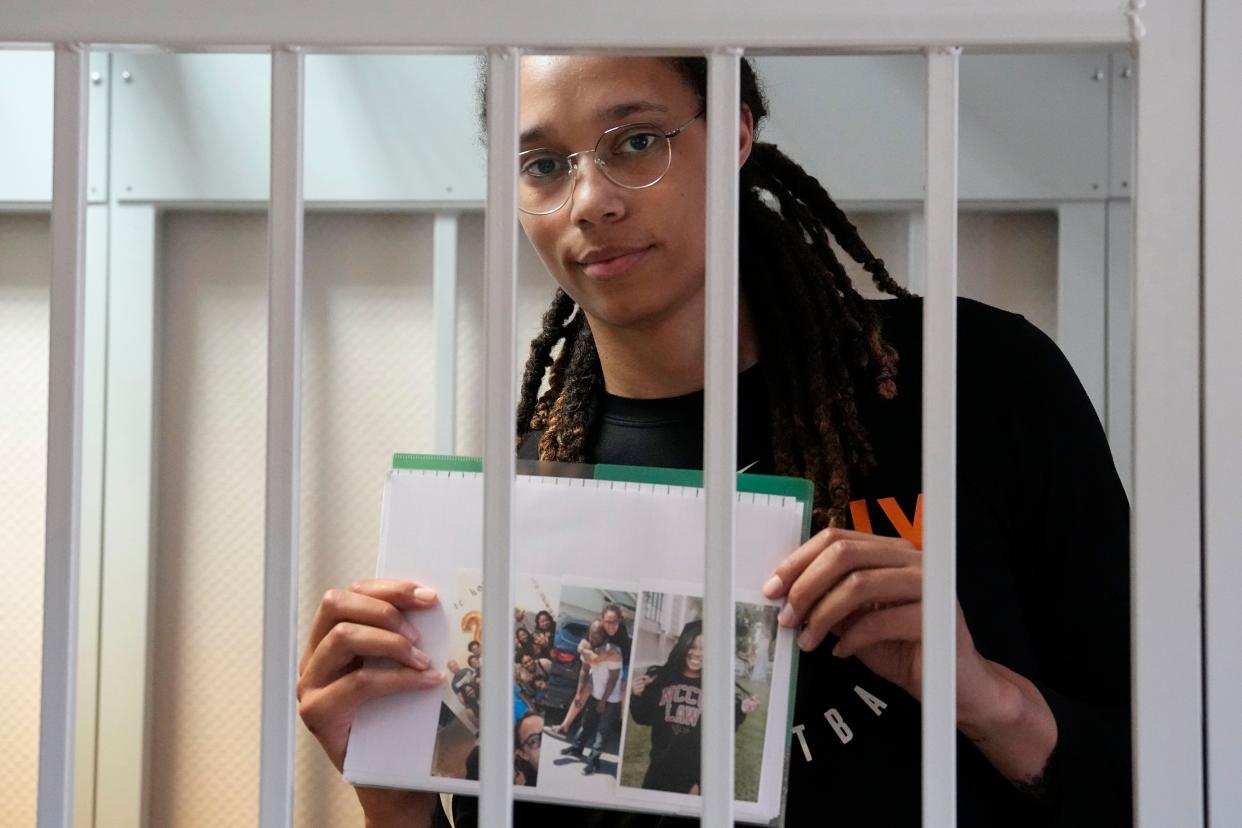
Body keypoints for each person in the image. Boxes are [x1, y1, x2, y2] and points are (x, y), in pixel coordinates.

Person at [296, 54, 1131, 826]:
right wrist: (394, 797)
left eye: (635, 142)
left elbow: (1165, 768)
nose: (591, 202)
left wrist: (989, 700)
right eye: (545, 165)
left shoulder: (977, 379)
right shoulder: (518, 511)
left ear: (733, 129)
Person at [628, 620, 758, 794]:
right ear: (683, 646)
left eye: (704, 649)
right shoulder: (664, 679)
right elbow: (643, 717)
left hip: (692, 778)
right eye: (693, 646)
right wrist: (636, 696)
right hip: (658, 771)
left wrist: (740, 710)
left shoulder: (715, 687)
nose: (697, 653)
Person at [561, 620, 625, 775]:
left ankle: (593, 761)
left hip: (610, 699)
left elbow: (613, 680)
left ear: (604, 634)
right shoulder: (588, 648)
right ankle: (577, 748)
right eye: (591, 632)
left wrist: (603, 701)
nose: (593, 636)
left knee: (602, 732)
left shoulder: (612, 652)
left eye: (596, 633)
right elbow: (584, 671)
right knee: (586, 723)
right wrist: (578, 693)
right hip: (595, 694)